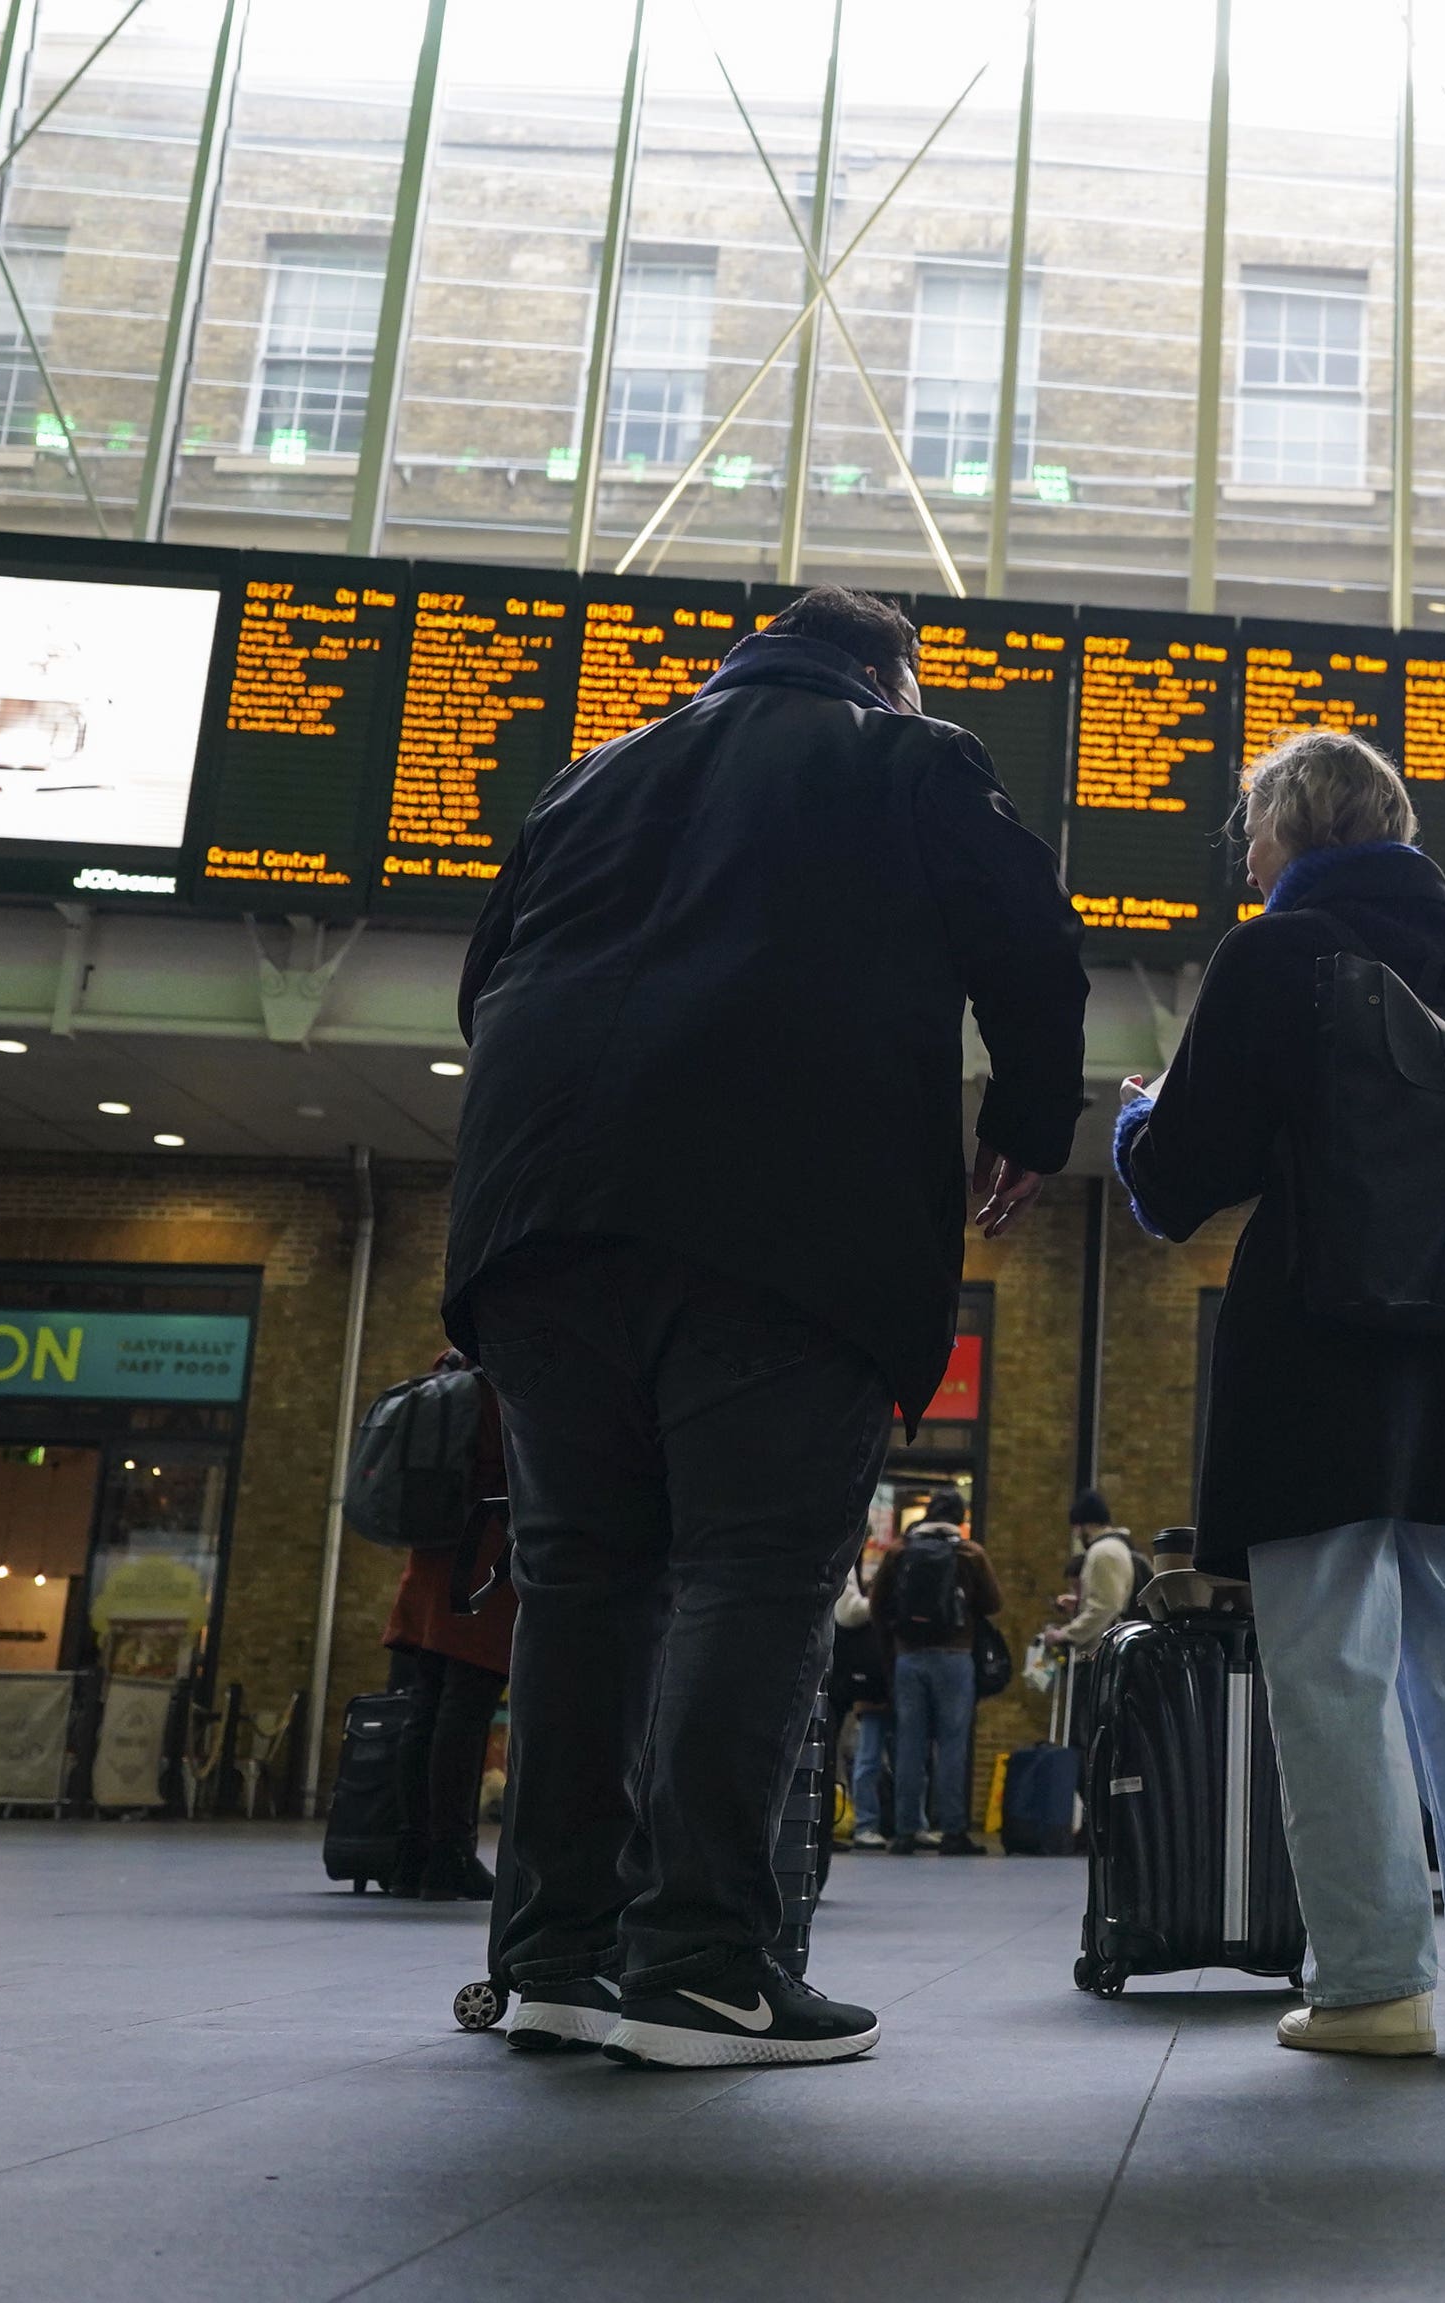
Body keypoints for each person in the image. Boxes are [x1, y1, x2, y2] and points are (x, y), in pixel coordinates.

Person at [446, 584, 1089, 2066]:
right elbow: (1035, 949)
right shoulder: (908, 755)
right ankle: (699, 1965)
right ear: (889, 673)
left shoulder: (592, 769)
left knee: (580, 1582)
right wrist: (1027, 1124)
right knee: (755, 1570)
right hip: (786, 1229)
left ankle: (552, 1953)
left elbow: (487, 983)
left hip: (537, 1227)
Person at [1111, 728, 1445, 2059]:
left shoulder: (1274, 953)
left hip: (1318, 1350)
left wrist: (1138, 1116)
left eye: (1250, 829)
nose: (1243, 855)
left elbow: (1179, 1180)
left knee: (1328, 1665)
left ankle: (1374, 1980)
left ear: (1298, 828)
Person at [381, 1349, 514, 1902]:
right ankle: (451, 1854)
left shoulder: (448, 1372)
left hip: (431, 1558)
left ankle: (411, 1852)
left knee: (426, 1708)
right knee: (465, 1709)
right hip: (479, 1562)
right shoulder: (504, 1382)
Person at [873, 1497, 1000, 1855]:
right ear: (960, 1520)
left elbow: (878, 1603)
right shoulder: (970, 1554)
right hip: (955, 1658)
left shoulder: (900, 1551)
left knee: (909, 1745)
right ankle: (953, 1831)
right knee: (952, 1746)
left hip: (908, 1659)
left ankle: (905, 1832)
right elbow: (994, 1603)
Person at [829, 1521, 897, 1851]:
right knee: (839, 1750)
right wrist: (880, 1603)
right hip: (838, 1669)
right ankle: (835, 1824)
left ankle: (832, 1823)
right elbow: (847, 1612)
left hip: (836, 1666)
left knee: (842, 1751)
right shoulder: (842, 1554)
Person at [1052, 1490, 1147, 1655]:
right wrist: (1080, 1602)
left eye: (1076, 1527)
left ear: (1086, 1525)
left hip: (1103, 1651)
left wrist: (1065, 1634)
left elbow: (1106, 1606)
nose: (1075, 1534)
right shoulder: (1116, 1547)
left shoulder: (1103, 1552)